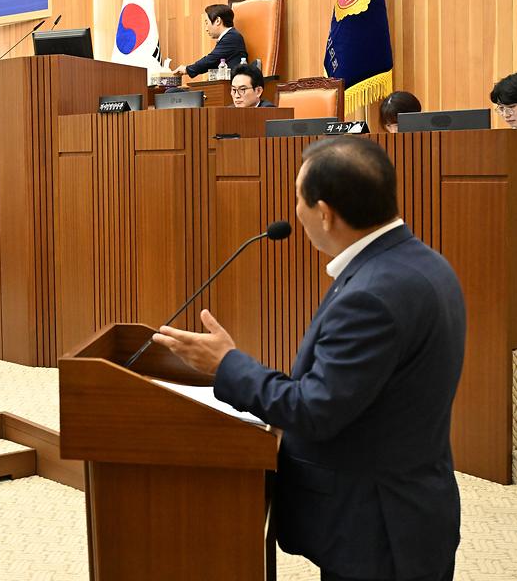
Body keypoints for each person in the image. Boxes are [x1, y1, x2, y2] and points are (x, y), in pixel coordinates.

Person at [152, 136, 464, 581]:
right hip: (409, 501)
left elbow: (315, 410)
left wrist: (227, 365)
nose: (294, 212)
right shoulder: (421, 262)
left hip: (378, 526)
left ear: (324, 212)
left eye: (298, 199)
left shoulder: (373, 294)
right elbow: (353, 392)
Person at [174, 4, 249, 78]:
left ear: (217, 21)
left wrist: (187, 69)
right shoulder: (229, 36)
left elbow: (211, 60)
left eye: (207, 23)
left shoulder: (232, 37)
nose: (206, 29)